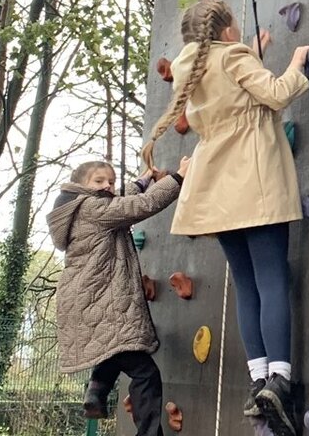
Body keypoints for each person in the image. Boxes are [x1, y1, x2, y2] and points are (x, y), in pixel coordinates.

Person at [142, 0, 309, 436]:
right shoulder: (234, 55)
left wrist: (248, 52)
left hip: (215, 187)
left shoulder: (189, 67)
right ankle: (281, 378)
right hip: (253, 180)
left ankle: (259, 380)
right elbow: (274, 95)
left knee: (246, 283)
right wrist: (296, 61)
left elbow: (227, 90)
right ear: (226, 32)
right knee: (272, 275)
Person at [49, 157, 187, 436]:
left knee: (112, 347)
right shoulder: (92, 208)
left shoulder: (84, 208)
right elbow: (138, 206)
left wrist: (143, 180)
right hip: (101, 300)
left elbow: (122, 201)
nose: (108, 186)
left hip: (87, 300)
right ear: (80, 187)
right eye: (99, 181)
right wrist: (179, 177)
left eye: (110, 181)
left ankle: (96, 392)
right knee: (145, 373)